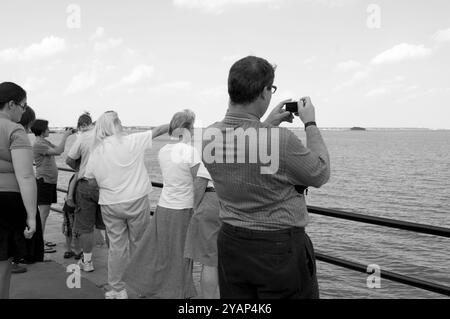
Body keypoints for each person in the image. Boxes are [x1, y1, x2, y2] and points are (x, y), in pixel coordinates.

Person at [201, 56, 330, 298]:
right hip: (278, 250)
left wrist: (266, 123)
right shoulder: (281, 141)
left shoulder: (209, 136)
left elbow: (241, 147)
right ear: (263, 92)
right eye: (270, 89)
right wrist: (310, 123)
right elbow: (320, 172)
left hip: (231, 243)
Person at [85, 111, 169, 299]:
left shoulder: (97, 150)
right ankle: (140, 287)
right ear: (115, 124)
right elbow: (158, 131)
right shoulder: (131, 141)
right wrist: (176, 123)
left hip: (110, 203)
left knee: (116, 247)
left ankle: (117, 289)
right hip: (136, 200)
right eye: (119, 121)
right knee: (139, 244)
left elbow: (89, 179)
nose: (122, 124)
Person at [124, 109, 200, 299]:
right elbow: (198, 183)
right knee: (182, 253)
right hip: (183, 208)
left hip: (164, 206)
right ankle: (180, 291)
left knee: (161, 253)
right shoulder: (190, 152)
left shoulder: (163, 151)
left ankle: (157, 286)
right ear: (188, 129)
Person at [0, 82, 36, 298]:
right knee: (3, 263)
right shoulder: (14, 129)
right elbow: (25, 176)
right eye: (23, 106)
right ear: (11, 104)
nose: (24, 111)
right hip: (6, 203)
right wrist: (32, 216)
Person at [65, 112, 103, 270]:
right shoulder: (105, 136)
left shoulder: (83, 137)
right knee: (109, 224)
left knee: (86, 226)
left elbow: (69, 159)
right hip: (107, 184)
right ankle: (117, 259)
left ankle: (87, 262)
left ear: (81, 125)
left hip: (87, 184)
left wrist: (79, 169)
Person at [30, 119, 74, 253]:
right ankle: (39, 245)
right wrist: (66, 136)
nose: (49, 130)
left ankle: (40, 240)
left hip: (49, 182)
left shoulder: (44, 141)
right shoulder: (38, 144)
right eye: (47, 128)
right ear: (42, 130)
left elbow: (58, 150)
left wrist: (66, 136)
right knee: (43, 214)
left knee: (45, 213)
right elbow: (60, 150)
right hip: (44, 182)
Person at [11, 106, 44, 272]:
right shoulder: (18, 134)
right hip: (16, 191)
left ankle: (14, 260)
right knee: (21, 228)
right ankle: (18, 259)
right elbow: (26, 175)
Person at [184, 162, 221, 298]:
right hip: (238, 203)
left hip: (212, 200)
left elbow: (200, 184)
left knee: (209, 260)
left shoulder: (213, 149)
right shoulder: (251, 150)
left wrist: (196, 207)